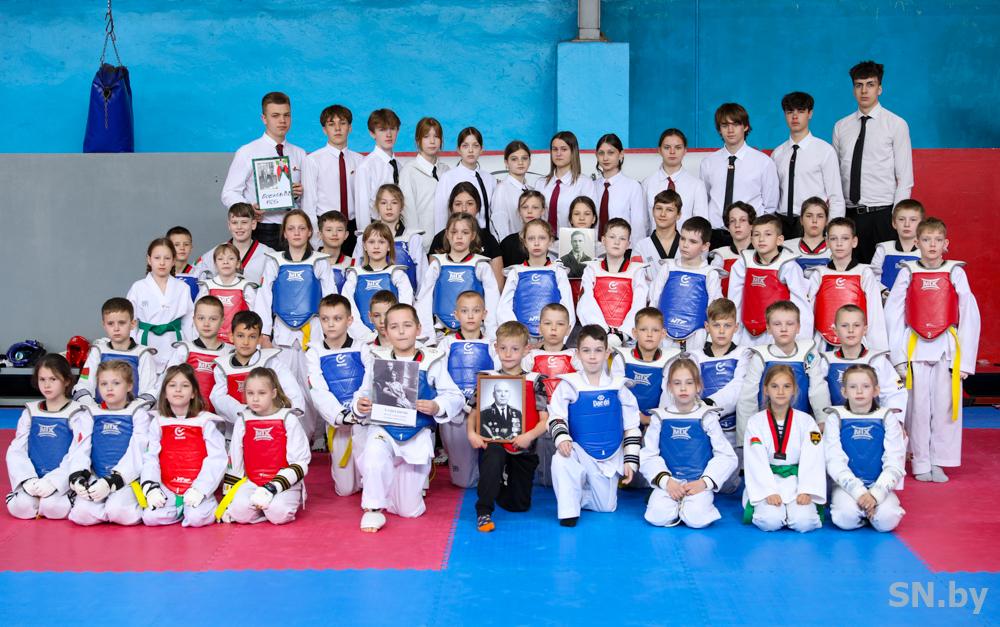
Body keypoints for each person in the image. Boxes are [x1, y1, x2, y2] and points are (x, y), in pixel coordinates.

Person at [352, 304, 464, 532]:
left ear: (418, 328)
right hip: (384, 428)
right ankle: (373, 509)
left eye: (407, 325)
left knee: (409, 510)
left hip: (417, 431)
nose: (401, 332)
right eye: (394, 327)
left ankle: (393, 483)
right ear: (385, 331)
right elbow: (363, 392)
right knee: (374, 453)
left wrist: (436, 405)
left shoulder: (432, 361)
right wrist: (360, 405)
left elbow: (455, 396)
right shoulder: (377, 359)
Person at [885, 217, 980, 482]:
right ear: (917, 243)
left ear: (946, 243)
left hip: (946, 349)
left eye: (938, 240)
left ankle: (940, 461)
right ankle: (920, 461)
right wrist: (898, 358)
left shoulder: (955, 272)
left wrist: (965, 362)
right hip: (914, 346)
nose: (932, 245)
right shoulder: (907, 272)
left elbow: (969, 314)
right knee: (917, 408)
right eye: (926, 240)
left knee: (945, 407)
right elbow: (893, 314)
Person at [548, 325, 641, 526]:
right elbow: (556, 416)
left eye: (598, 350)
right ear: (578, 353)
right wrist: (562, 438)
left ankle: (579, 492)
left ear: (607, 353)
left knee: (606, 507)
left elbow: (632, 425)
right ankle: (568, 511)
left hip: (609, 455)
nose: (592, 356)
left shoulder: (619, 386)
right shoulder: (569, 385)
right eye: (586, 350)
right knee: (561, 458)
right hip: (578, 450)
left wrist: (630, 460)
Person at [467, 321, 548, 532]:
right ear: (496, 347)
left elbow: (545, 420)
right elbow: (474, 412)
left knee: (518, 505)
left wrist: (529, 436)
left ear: (526, 349)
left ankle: (500, 484)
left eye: (514, 349)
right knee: (494, 456)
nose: (508, 354)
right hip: (494, 443)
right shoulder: (487, 378)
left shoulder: (535, 380)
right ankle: (483, 511)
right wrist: (472, 433)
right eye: (503, 348)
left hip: (523, 446)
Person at [640, 358, 738, 528]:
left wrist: (704, 483)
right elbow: (648, 455)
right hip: (670, 482)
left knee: (697, 519)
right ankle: (667, 500)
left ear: (698, 386)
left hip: (697, 482)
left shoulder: (707, 416)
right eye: (677, 383)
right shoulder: (659, 417)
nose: (683, 388)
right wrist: (666, 481)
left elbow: (726, 456)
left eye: (689, 383)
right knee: (657, 517)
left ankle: (689, 505)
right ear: (669, 387)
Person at [833, 60, 914, 263]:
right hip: (849, 215)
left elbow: (905, 178)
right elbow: (835, 176)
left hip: (882, 215)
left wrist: (896, 218)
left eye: (870, 84)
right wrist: (837, 218)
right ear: (853, 90)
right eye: (859, 85)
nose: (864, 91)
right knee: (851, 273)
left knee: (884, 274)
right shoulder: (841, 127)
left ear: (880, 88)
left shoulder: (896, 124)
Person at [218, 367, 310, 524]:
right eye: (250, 393)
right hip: (252, 481)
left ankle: (270, 506)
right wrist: (227, 500)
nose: (255, 399)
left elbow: (300, 463)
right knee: (239, 514)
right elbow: (235, 462)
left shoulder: (288, 419)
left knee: (278, 514)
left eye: (261, 393)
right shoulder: (243, 420)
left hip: (284, 484)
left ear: (273, 393)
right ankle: (259, 508)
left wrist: (271, 488)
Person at [6, 355, 92, 520]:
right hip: (34, 478)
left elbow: (78, 452)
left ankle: (63, 496)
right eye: (42, 379)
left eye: (53, 379)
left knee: (54, 508)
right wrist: (27, 480)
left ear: (67, 381)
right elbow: (17, 450)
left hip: (62, 480)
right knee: (21, 508)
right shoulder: (30, 412)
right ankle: (25, 493)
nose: (47, 385)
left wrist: (54, 481)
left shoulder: (78, 413)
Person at [141, 364, 227, 527]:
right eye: (172, 385)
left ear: (193, 393)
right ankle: (178, 508)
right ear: (165, 393)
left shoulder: (206, 422)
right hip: (168, 485)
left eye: (185, 385)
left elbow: (217, 459)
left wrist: (200, 489)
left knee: (196, 518)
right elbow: (151, 458)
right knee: (150, 517)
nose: (178, 390)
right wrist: (151, 487)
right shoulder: (158, 422)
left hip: (196, 486)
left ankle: (200, 506)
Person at [743, 365, 826, 532]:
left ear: (794, 389)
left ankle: (792, 512)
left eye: (786, 386)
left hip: (797, 481)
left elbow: (814, 457)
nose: (780, 392)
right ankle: (779, 512)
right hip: (767, 480)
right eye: (774, 386)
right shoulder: (755, 422)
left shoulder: (807, 422)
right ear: (765, 390)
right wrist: (768, 491)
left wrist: (807, 490)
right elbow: (755, 460)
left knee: (804, 523)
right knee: (770, 522)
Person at [68, 360, 152, 526]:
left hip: (128, 479)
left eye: (116, 383)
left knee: (118, 512)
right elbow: (80, 448)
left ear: (129, 386)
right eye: (104, 384)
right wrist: (78, 476)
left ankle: (112, 506)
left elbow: (138, 451)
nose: (109, 388)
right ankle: (101, 506)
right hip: (96, 476)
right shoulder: (90, 414)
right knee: (81, 515)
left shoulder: (138, 414)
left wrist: (114, 480)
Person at [824, 365, 906, 532]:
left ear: (876, 390)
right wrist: (859, 492)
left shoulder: (887, 417)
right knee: (845, 519)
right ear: (844, 392)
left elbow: (895, 460)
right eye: (853, 387)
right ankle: (865, 512)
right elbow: (834, 461)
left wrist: (876, 495)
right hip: (847, 486)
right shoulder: (835, 418)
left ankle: (870, 508)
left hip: (878, 483)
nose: (859, 391)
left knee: (887, 522)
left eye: (866, 386)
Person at [221, 92, 305, 249]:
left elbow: (305, 200)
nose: (282, 120)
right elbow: (229, 193)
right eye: (275, 115)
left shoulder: (299, 153)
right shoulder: (247, 152)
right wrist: (249, 209)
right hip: (263, 228)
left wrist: (299, 192)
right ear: (264, 119)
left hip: (294, 229)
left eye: (286, 115)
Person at [306, 295, 370, 496]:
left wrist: (358, 408)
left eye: (337, 318)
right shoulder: (314, 351)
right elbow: (317, 390)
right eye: (325, 319)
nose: (331, 324)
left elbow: (370, 379)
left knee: (370, 479)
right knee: (345, 490)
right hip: (338, 422)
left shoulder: (363, 347)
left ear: (349, 320)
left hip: (364, 420)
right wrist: (341, 415)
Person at [436, 291, 498, 487]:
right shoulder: (446, 344)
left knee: (491, 471)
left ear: (484, 314)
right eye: (464, 311)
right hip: (456, 410)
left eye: (476, 311)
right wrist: (459, 401)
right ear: (456, 314)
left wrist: (478, 403)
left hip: (485, 409)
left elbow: (498, 375)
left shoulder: (492, 344)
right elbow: (440, 376)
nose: (470, 316)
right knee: (464, 481)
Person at [737, 300, 819, 445]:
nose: (783, 329)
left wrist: (822, 420)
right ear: (768, 328)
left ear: (798, 327)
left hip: (801, 426)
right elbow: (747, 397)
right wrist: (745, 437)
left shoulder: (808, 353)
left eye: (790, 323)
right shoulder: (760, 357)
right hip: (765, 428)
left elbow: (818, 389)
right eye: (777, 324)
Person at [210, 311, 304, 432]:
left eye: (252, 336)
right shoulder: (223, 366)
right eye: (240, 336)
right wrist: (246, 413)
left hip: (270, 426)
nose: (246, 342)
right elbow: (218, 398)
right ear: (231, 337)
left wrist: (282, 415)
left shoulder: (271, 363)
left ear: (260, 339)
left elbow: (293, 392)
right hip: (234, 431)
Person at [700, 103, 779, 245]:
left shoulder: (763, 162)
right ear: (719, 130)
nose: (730, 130)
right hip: (715, 234)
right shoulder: (708, 163)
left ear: (746, 126)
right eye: (725, 125)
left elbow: (770, 205)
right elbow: (703, 200)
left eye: (735, 124)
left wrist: (758, 231)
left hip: (750, 235)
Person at [727, 214, 812, 345]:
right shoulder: (743, 263)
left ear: (779, 240)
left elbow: (801, 305)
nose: (761, 239)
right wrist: (733, 336)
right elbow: (734, 300)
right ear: (751, 239)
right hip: (746, 332)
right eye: (756, 235)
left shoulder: (788, 266)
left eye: (768, 234)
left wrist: (802, 342)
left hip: (777, 334)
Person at [809, 304, 906, 417]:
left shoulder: (877, 360)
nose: (851, 330)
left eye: (856, 325)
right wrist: (824, 420)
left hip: (873, 421)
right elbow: (818, 395)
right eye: (844, 325)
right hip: (835, 422)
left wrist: (893, 421)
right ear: (835, 330)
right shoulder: (826, 362)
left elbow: (894, 393)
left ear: (864, 330)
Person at [771, 91, 845, 239]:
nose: (795, 116)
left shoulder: (824, 151)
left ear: (810, 114)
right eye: (790, 112)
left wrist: (832, 232)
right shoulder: (777, 154)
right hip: (781, 222)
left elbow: (836, 197)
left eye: (800, 111)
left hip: (812, 222)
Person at [807, 217, 888, 351]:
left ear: (854, 242)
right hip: (822, 343)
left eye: (845, 238)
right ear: (827, 242)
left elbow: (875, 315)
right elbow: (808, 314)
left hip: (859, 343)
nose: (839, 244)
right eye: (833, 239)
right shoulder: (819, 274)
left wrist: (878, 351)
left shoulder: (864, 273)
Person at [416, 213, 500, 342]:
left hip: (476, 334)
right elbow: (424, 299)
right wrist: (427, 334)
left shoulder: (481, 265)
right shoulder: (437, 265)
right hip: (441, 333)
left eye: (465, 232)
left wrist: (491, 334)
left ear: (473, 235)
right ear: (447, 234)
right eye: (454, 232)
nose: (459, 236)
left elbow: (492, 300)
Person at [523, 303, 577, 486]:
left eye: (560, 324)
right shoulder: (530, 356)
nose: (553, 329)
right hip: (538, 414)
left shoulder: (575, 356)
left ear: (568, 329)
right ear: (539, 327)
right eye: (548, 323)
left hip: (567, 414)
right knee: (544, 477)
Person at [649, 217, 722, 349]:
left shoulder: (710, 273)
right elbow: (654, 300)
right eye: (683, 239)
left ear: (705, 246)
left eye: (693, 241)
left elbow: (714, 309)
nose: (685, 245)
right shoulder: (668, 267)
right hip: (664, 333)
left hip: (696, 335)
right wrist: (651, 329)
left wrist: (710, 339)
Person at [690, 298, 749, 458]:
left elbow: (739, 387)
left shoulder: (744, 354)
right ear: (707, 327)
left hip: (734, 431)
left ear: (736, 327)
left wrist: (710, 404)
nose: (722, 331)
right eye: (716, 325)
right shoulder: (695, 357)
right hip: (703, 429)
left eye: (727, 325)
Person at [498, 219, 575, 340]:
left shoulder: (558, 272)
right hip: (522, 339)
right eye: (531, 238)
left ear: (550, 241)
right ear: (524, 242)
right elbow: (504, 308)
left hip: (552, 338)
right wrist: (517, 338)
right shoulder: (516, 272)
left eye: (542, 238)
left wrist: (560, 340)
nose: (536, 243)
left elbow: (567, 307)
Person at [301, 104, 363, 253]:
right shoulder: (313, 160)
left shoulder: (360, 161)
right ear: (324, 129)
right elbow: (308, 204)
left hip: (353, 227)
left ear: (350, 128)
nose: (337, 128)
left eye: (342, 123)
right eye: (331, 124)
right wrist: (316, 239)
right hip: (325, 228)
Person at [73, 297, 157, 406]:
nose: (116, 328)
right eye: (110, 323)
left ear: (133, 324)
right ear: (104, 325)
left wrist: (132, 410)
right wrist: (95, 409)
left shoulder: (143, 354)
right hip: (99, 411)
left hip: (133, 413)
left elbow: (149, 392)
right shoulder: (98, 351)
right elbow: (83, 386)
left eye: (122, 323)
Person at [577, 218, 649, 345]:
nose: (617, 242)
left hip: (628, 341)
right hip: (596, 339)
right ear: (603, 240)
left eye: (622, 239)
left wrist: (623, 334)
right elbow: (585, 302)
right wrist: (602, 332)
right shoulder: (592, 269)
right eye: (612, 237)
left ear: (628, 244)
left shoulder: (637, 271)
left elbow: (639, 304)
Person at [127, 238, 195, 371]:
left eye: (167, 258)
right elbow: (130, 321)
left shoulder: (183, 288)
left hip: (175, 344)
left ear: (174, 260)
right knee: (146, 377)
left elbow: (188, 322)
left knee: (173, 378)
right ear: (149, 259)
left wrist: (189, 347)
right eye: (157, 258)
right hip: (145, 344)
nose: (162, 263)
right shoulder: (138, 287)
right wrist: (132, 348)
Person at [343, 222, 414, 339]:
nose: (376, 246)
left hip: (393, 336)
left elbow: (404, 308)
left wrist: (394, 330)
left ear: (389, 246)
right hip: (361, 338)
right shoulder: (354, 275)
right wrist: (363, 334)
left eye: (381, 242)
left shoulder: (397, 274)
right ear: (364, 246)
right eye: (371, 242)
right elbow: (348, 307)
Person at [609, 307, 679, 424]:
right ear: (634, 333)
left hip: (657, 420)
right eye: (643, 329)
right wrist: (638, 417)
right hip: (625, 419)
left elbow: (668, 394)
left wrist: (656, 420)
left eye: (655, 330)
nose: (649, 334)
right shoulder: (621, 359)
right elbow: (618, 393)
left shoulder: (669, 361)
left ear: (663, 334)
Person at [163, 295, 232, 412]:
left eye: (213, 319)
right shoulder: (185, 350)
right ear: (194, 319)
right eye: (201, 318)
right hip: (188, 415)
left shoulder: (230, 353)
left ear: (222, 321)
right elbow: (167, 380)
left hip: (222, 416)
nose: (206, 324)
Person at [433, 127, 498, 239]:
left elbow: (493, 215)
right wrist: (442, 241)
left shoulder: (490, 179)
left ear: (482, 149)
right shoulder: (448, 177)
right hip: (459, 239)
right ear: (458, 149)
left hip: (485, 238)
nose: (471, 150)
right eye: (465, 146)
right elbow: (441, 215)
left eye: (475, 145)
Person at [361, 183, 426, 292]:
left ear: (401, 206)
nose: (389, 207)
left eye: (394, 202)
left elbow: (423, 277)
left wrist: (419, 301)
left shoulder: (412, 238)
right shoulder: (364, 238)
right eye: (383, 203)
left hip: (406, 300)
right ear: (377, 206)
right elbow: (357, 274)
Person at [193, 202, 276, 285]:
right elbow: (195, 274)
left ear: (253, 224)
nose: (239, 227)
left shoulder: (268, 255)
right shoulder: (216, 252)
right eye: (234, 223)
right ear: (229, 225)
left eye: (244, 222)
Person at [641, 128, 708, 227]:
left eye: (678, 147)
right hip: (654, 237)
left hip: (685, 237)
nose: (672, 152)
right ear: (659, 150)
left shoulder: (697, 185)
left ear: (685, 151)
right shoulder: (647, 183)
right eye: (667, 147)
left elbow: (701, 225)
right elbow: (643, 223)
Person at [400, 117, 450, 250]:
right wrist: (417, 243)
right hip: (422, 245)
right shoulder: (409, 171)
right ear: (418, 140)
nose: (432, 141)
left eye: (436, 136)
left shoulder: (446, 171)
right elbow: (408, 212)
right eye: (426, 137)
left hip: (447, 244)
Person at [197, 243, 258, 344]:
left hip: (239, 343)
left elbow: (256, 316)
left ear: (238, 263)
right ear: (215, 264)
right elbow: (197, 315)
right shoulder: (207, 286)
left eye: (231, 258)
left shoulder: (245, 287)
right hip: (210, 341)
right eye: (220, 259)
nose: (225, 262)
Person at [591, 133, 646, 242]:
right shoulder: (591, 186)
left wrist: (636, 250)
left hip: (623, 249)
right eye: (601, 153)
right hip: (594, 248)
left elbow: (638, 227)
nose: (605, 158)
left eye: (610, 153)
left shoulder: (632, 186)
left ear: (621, 154)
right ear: (596, 155)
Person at [429, 182, 503, 264]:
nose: (464, 209)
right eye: (458, 204)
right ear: (451, 208)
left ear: (477, 207)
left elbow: (497, 272)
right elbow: (433, 271)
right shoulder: (439, 239)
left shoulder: (488, 239)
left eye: (470, 203)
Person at [354, 108, 402, 230]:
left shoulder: (399, 166)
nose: (388, 134)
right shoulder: (366, 166)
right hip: (376, 229)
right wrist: (366, 236)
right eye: (382, 130)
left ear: (398, 130)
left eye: (392, 128)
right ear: (372, 133)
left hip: (398, 228)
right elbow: (362, 209)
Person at [537, 131, 591, 232]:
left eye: (564, 149)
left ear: (573, 151)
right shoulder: (541, 183)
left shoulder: (585, 183)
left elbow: (590, 219)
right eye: (555, 149)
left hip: (573, 239)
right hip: (543, 239)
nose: (558, 154)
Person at [870, 199, 924, 296]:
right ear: (894, 223)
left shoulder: (926, 251)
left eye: (913, 220)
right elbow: (873, 276)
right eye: (901, 219)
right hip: (885, 301)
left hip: (916, 300)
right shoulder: (884, 249)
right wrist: (884, 292)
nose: (907, 224)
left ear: (921, 225)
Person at [494, 190, 547, 276]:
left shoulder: (553, 242)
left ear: (543, 211)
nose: (529, 211)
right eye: (525, 207)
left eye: (535, 207)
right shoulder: (508, 243)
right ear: (519, 211)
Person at [634, 190, 682, 283]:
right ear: (653, 211)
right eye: (659, 208)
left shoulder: (688, 246)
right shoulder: (641, 247)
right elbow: (637, 281)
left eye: (669, 210)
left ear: (678, 215)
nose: (663, 214)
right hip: (649, 293)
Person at [709, 201, 755, 296]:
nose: (737, 225)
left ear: (751, 225)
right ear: (728, 227)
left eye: (743, 220)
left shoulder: (762, 254)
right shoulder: (721, 255)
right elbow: (713, 291)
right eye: (732, 221)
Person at [491, 141, 534, 241]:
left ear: (530, 161)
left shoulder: (532, 190)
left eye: (524, 158)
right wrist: (508, 246)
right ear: (506, 163)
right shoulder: (502, 189)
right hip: (512, 245)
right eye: (514, 159)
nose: (520, 163)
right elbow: (499, 223)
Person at [783, 197, 831, 272]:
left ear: (826, 221)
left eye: (820, 216)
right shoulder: (788, 248)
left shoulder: (835, 247)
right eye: (809, 216)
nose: (814, 220)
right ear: (801, 220)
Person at [318, 210, 356, 293]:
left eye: (339, 230)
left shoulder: (353, 264)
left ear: (346, 235)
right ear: (320, 234)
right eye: (329, 230)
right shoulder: (311, 262)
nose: (334, 234)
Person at [167, 226, 200, 302]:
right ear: (168, 247)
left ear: (191, 247)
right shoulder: (161, 274)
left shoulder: (198, 274)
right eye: (176, 244)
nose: (182, 248)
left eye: (186, 244)